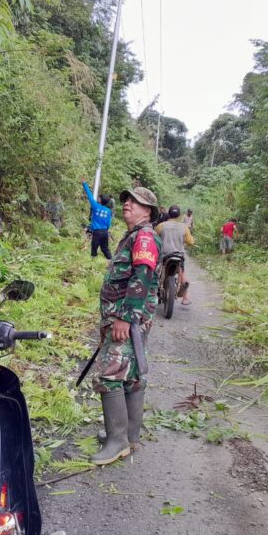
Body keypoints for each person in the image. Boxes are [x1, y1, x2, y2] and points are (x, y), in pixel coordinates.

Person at [90, 186, 161, 465]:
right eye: (126, 200)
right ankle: (129, 436)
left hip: (127, 319)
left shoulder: (143, 238)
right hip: (127, 318)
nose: (127, 204)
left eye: (135, 201)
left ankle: (117, 441)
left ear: (148, 210)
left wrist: (125, 317)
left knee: (109, 376)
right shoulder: (134, 236)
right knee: (130, 374)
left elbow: (141, 278)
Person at [155, 205, 195, 305]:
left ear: (168, 213)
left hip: (164, 255)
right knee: (182, 272)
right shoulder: (184, 227)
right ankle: (185, 298)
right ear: (179, 215)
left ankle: (151, 294)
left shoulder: (161, 226)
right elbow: (191, 242)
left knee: (156, 271)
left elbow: (154, 238)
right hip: (178, 255)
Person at [83, 180, 113, 260]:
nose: (98, 198)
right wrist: (106, 230)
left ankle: (93, 264)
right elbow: (109, 223)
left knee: (94, 249)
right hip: (105, 232)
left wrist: (84, 183)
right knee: (105, 249)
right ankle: (111, 262)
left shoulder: (95, 206)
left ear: (101, 200)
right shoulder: (108, 211)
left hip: (97, 232)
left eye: (99, 197)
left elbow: (89, 195)